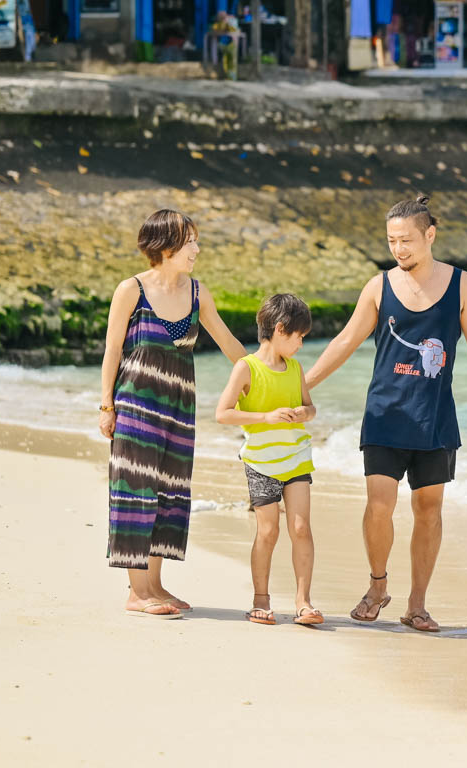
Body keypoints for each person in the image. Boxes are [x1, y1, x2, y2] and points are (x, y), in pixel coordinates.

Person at [306, 195, 467, 633]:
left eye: (407, 240)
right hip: (384, 413)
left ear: (429, 235)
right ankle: (378, 586)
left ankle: (417, 604)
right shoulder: (378, 287)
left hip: (435, 416)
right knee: (379, 505)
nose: (399, 249)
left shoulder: (461, 284)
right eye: (392, 241)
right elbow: (344, 342)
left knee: (428, 508)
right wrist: (302, 386)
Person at [99, 209, 246, 617]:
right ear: (164, 247)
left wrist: (263, 375)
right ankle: (136, 592)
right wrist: (106, 405)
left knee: (170, 491)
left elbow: (227, 341)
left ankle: (156, 585)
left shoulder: (198, 293)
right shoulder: (131, 290)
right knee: (135, 490)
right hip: (136, 408)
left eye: (196, 241)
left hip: (180, 411)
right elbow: (113, 350)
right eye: (189, 242)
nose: (196, 249)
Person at [214, 293, 323, 627]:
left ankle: (303, 602)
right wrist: (267, 418)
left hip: (296, 459)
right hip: (261, 462)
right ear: (279, 329)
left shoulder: (295, 368)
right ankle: (260, 600)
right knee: (269, 531)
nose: (301, 345)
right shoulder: (246, 368)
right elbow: (223, 413)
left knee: (301, 527)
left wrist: (303, 412)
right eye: (299, 337)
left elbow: (310, 406)